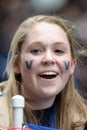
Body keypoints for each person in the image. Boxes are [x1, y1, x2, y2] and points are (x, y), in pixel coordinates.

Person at [0, 15, 87, 130]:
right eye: (36, 51)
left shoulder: (83, 122)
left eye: (58, 51)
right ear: (16, 64)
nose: (49, 59)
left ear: (72, 65)